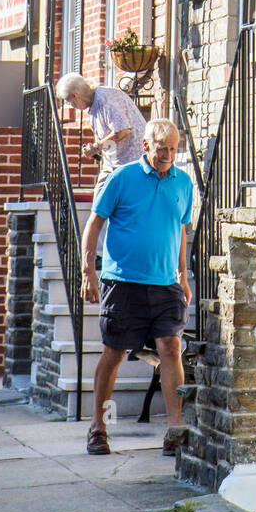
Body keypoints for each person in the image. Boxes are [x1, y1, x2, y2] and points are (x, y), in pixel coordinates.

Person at [80, 119, 193, 457]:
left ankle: (175, 430)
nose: (167, 155)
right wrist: (88, 271)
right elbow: (94, 223)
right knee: (113, 352)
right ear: (146, 146)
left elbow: (181, 230)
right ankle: (99, 428)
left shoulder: (183, 182)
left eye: (173, 149)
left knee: (171, 349)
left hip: (166, 284)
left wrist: (184, 275)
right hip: (123, 282)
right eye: (161, 148)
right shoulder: (122, 178)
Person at [56, 74, 146, 203]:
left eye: (69, 101)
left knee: (111, 205)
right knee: (101, 202)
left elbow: (123, 130)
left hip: (132, 163)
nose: (71, 106)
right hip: (116, 164)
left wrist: (96, 147)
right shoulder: (95, 105)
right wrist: (97, 148)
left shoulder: (105, 100)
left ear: (76, 95)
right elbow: (111, 137)